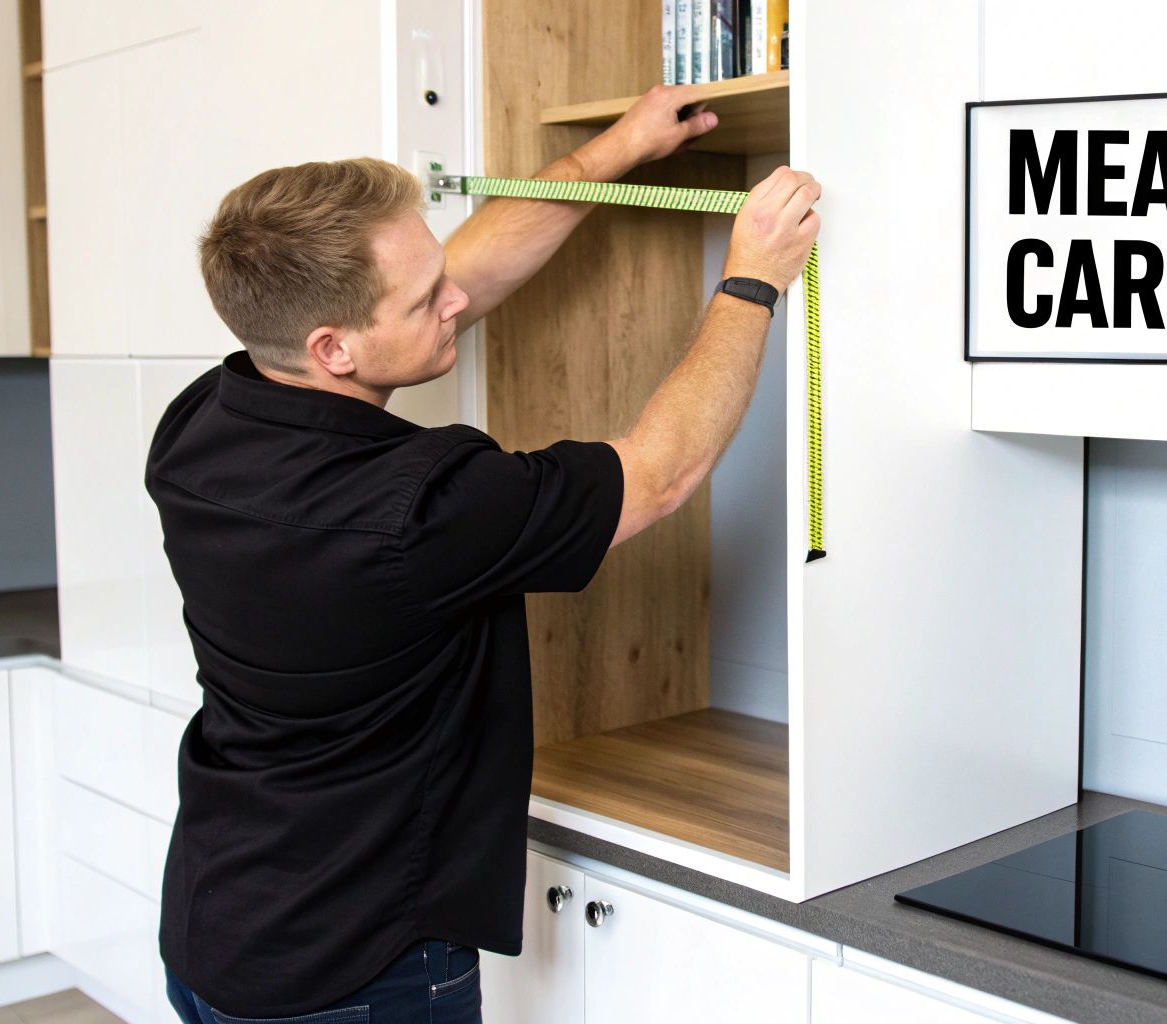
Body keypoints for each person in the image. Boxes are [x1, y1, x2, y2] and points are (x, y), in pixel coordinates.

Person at [149, 83, 820, 1024]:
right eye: (428, 299)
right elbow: (662, 474)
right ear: (332, 348)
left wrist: (615, 147)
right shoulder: (421, 509)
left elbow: (463, 276)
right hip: (357, 971)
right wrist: (754, 278)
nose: (456, 298)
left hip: (218, 925)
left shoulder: (201, 423)